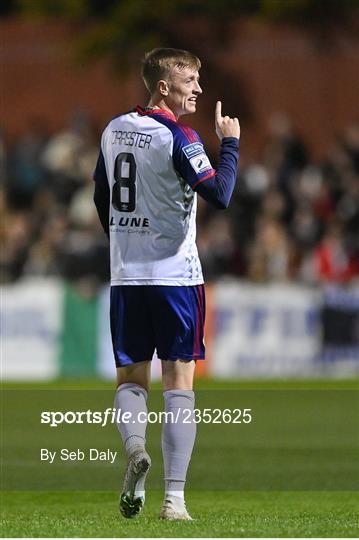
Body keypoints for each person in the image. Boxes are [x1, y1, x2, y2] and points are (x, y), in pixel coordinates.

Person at [93, 47, 240, 520]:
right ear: (163, 86)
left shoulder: (114, 129)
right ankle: (174, 501)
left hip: (126, 276)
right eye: (190, 79)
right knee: (179, 385)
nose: (197, 88)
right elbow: (219, 194)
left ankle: (135, 448)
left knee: (130, 379)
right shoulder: (181, 136)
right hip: (176, 278)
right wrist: (231, 143)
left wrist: (124, 244)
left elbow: (102, 196)